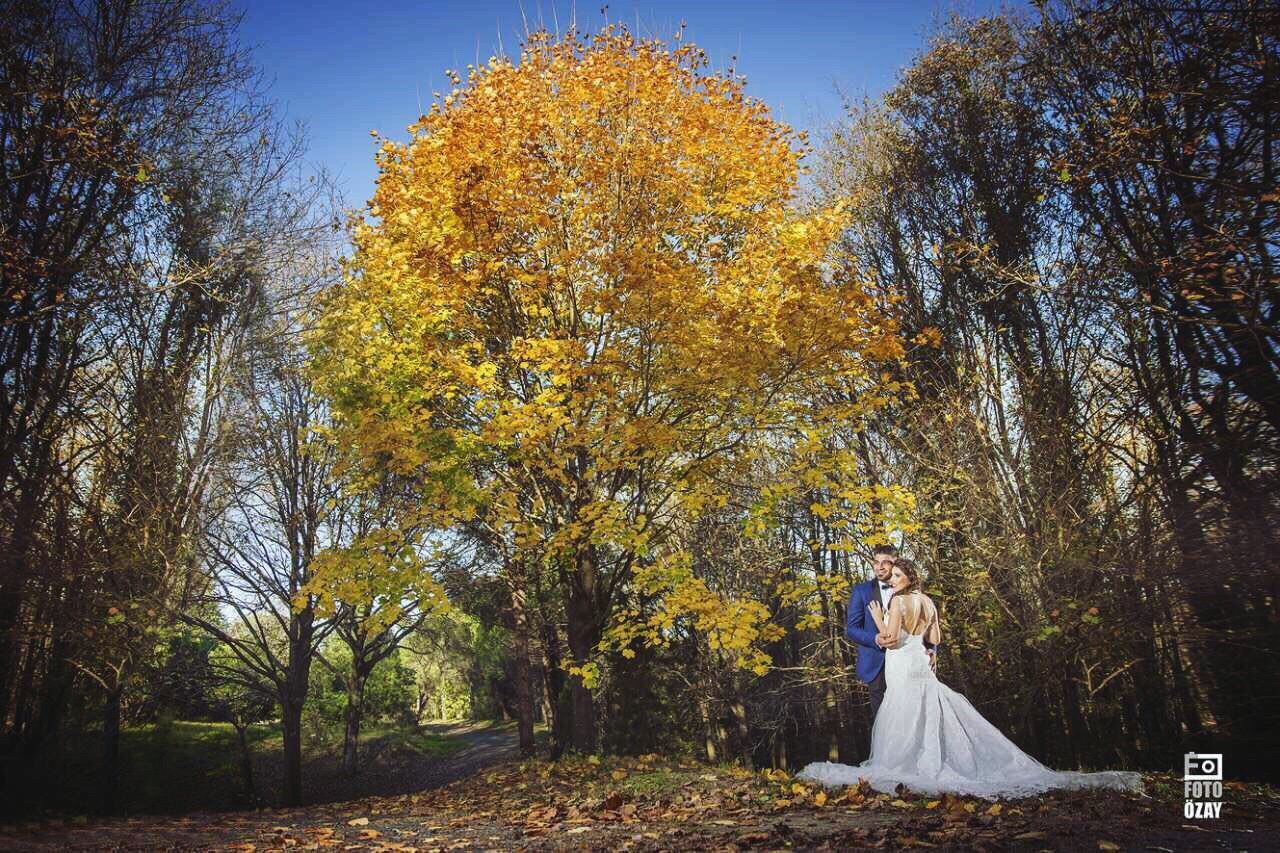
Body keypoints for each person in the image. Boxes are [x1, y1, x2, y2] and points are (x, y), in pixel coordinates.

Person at [802, 556, 1144, 800]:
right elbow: (935, 638)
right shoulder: (929, 602)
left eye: (895, 576)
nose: (890, 579)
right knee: (927, 709)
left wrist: (878, 618)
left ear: (905, 577)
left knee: (901, 713)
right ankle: (926, 756)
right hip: (920, 663)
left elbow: (890, 639)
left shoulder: (898, 604)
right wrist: (930, 653)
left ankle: (905, 763)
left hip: (902, 666)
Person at [844, 545, 937, 727]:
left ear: (897, 563)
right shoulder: (862, 591)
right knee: (884, 723)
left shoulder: (915, 594)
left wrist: (932, 649)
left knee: (916, 717)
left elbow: (925, 623)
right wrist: (875, 639)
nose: (879, 567)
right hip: (876, 664)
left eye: (885, 563)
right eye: (876, 562)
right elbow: (852, 628)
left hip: (910, 664)